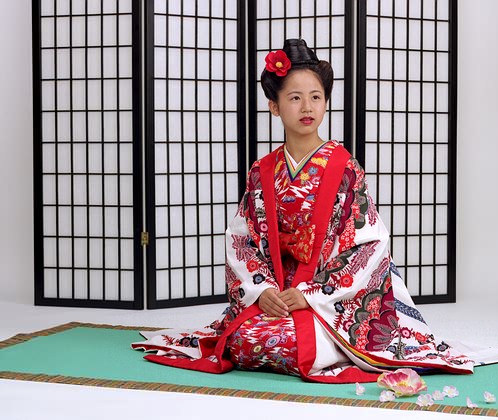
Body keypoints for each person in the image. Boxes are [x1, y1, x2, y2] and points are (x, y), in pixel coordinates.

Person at [132, 39, 475, 383]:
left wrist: (310, 295)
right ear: (274, 106)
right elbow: (241, 241)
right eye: (295, 98)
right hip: (277, 294)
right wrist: (262, 292)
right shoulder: (263, 170)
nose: (307, 107)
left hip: (328, 301)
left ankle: (325, 339)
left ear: (325, 102)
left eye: (316, 97)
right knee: (243, 341)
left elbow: (368, 246)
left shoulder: (344, 168)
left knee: (292, 344)